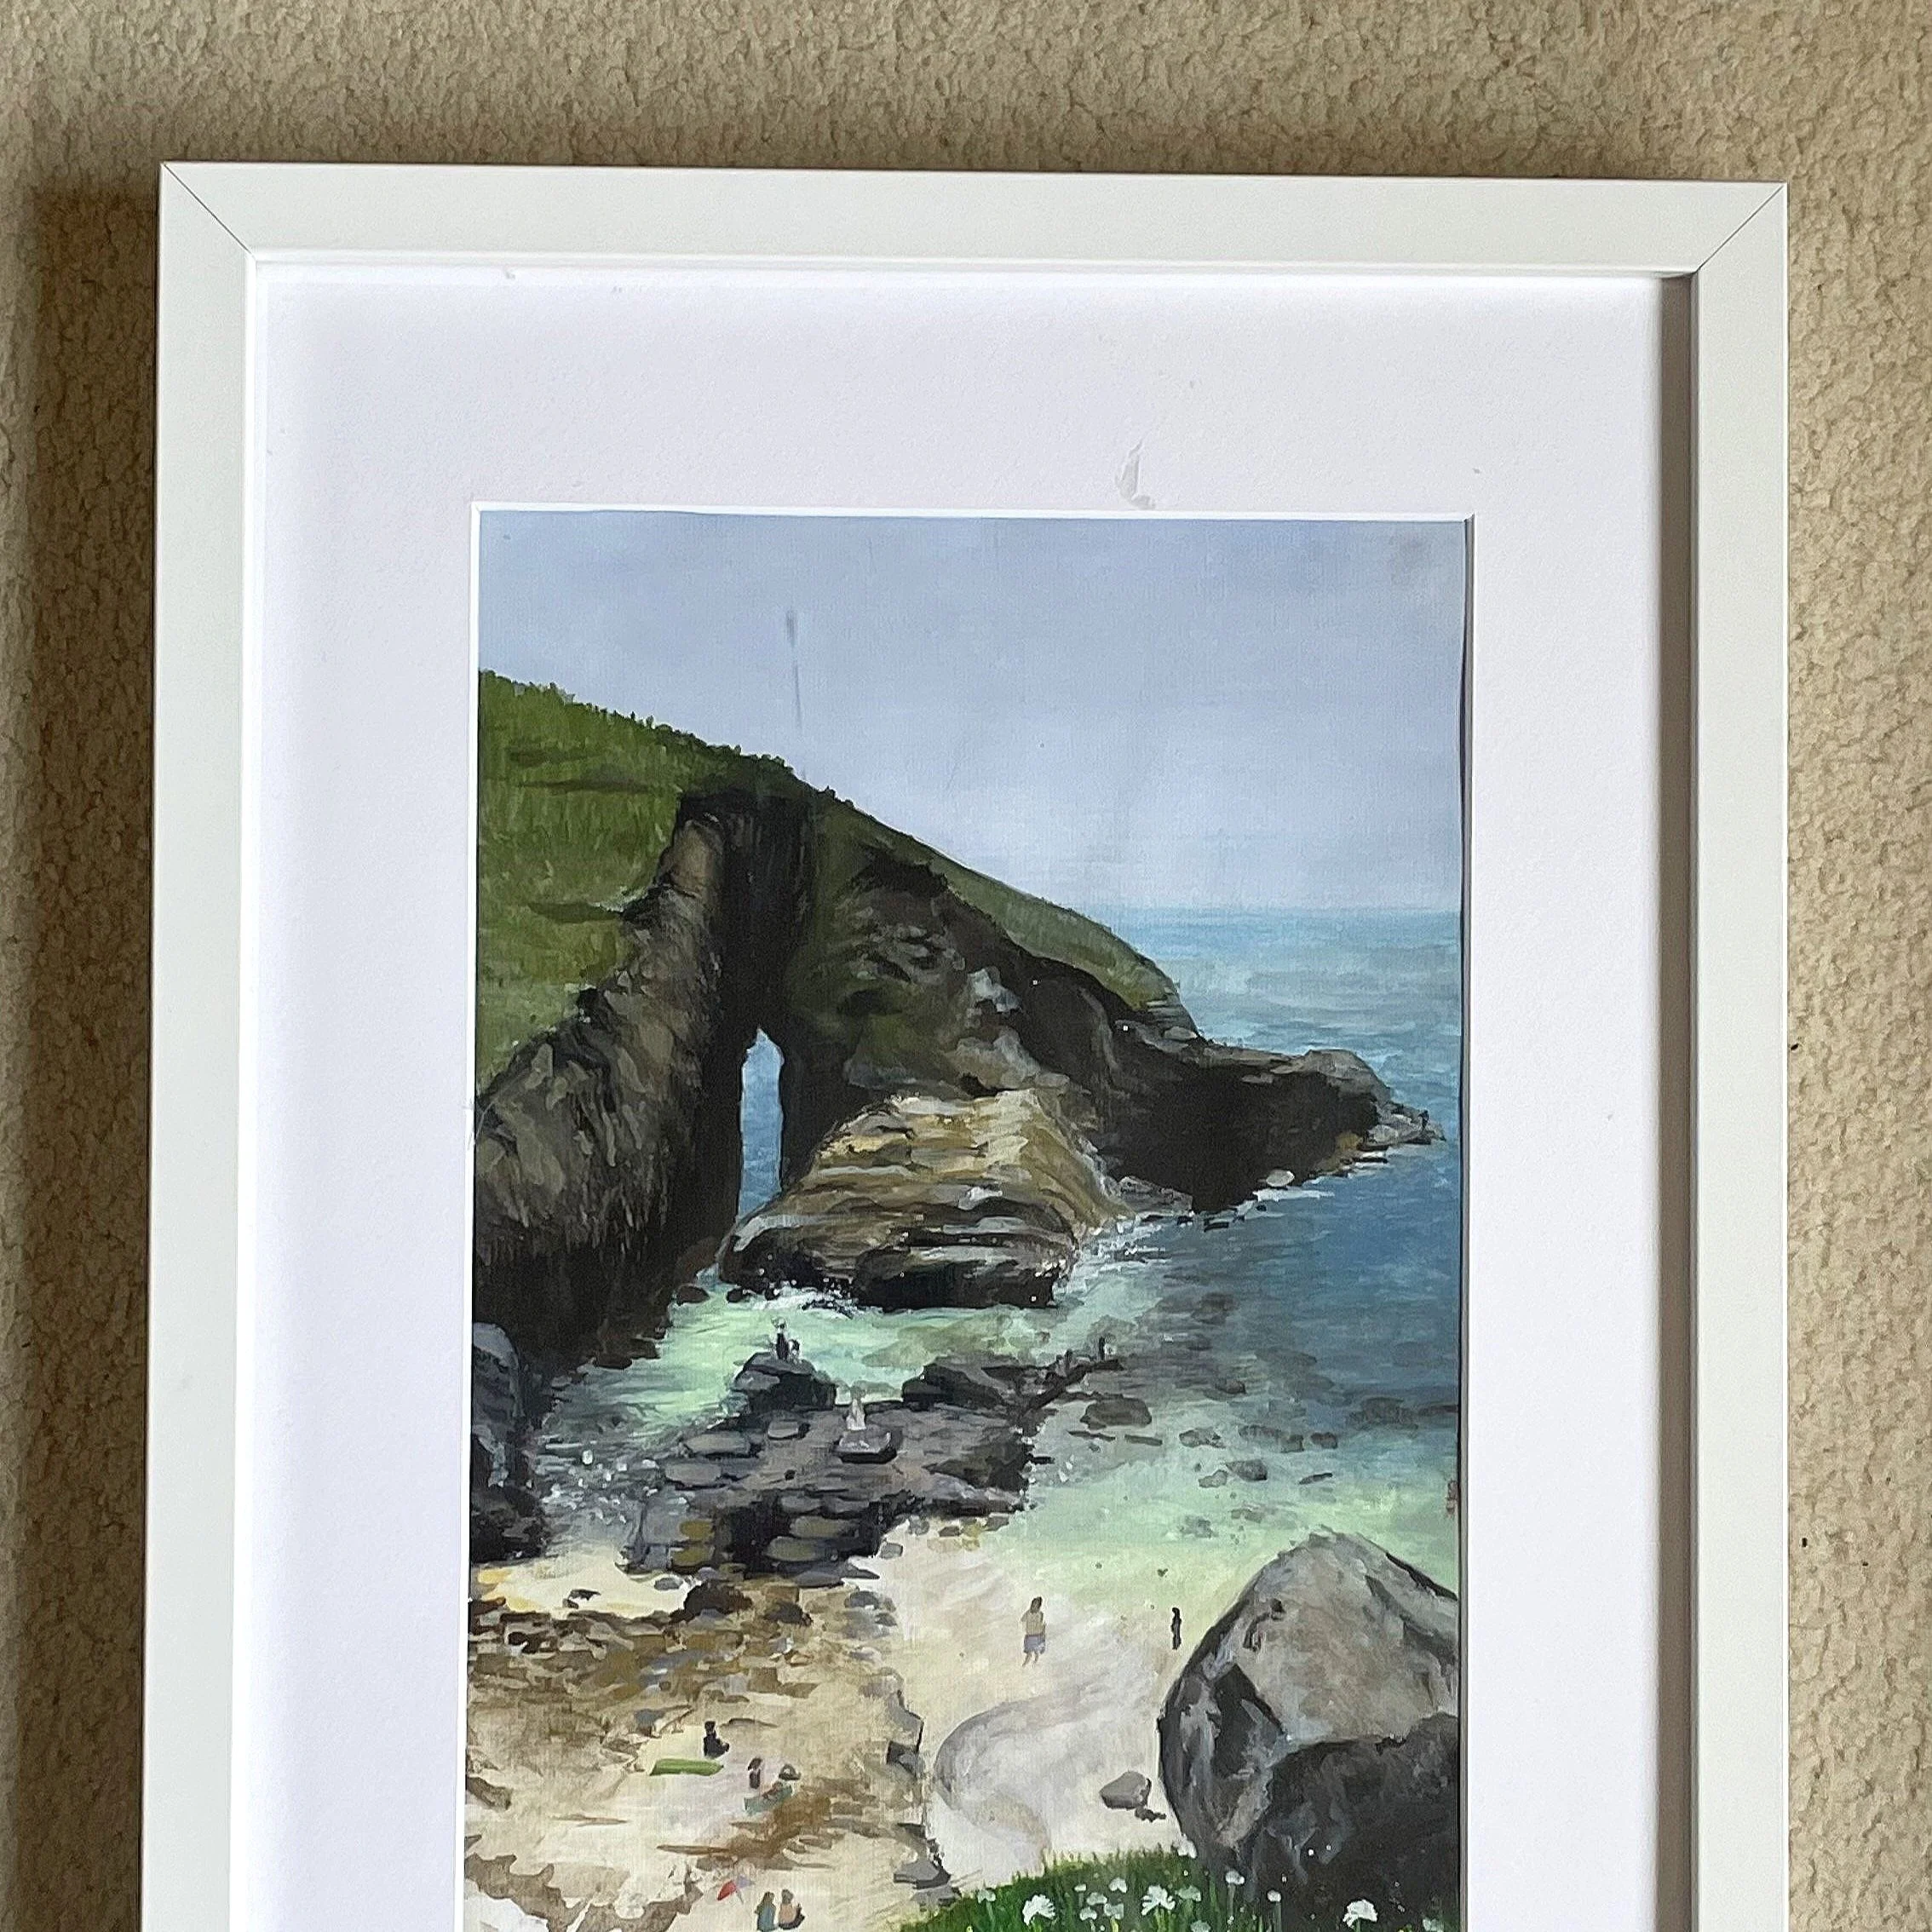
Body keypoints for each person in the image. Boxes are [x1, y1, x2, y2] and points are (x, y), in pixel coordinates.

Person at [1021, 1596, 1047, 1665]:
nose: (1034, 1605)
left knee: (1036, 1652)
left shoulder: (1041, 1614)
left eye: (1036, 1604)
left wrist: (1043, 1635)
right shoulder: (1028, 1613)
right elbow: (1022, 1620)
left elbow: (1043, 1625)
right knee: (1029, 1654)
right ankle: (1024, 1665)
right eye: (1033, 1604)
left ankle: (1034, 1664)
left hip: (1037, 1636)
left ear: (1039, 1606)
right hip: (1029, 1636)